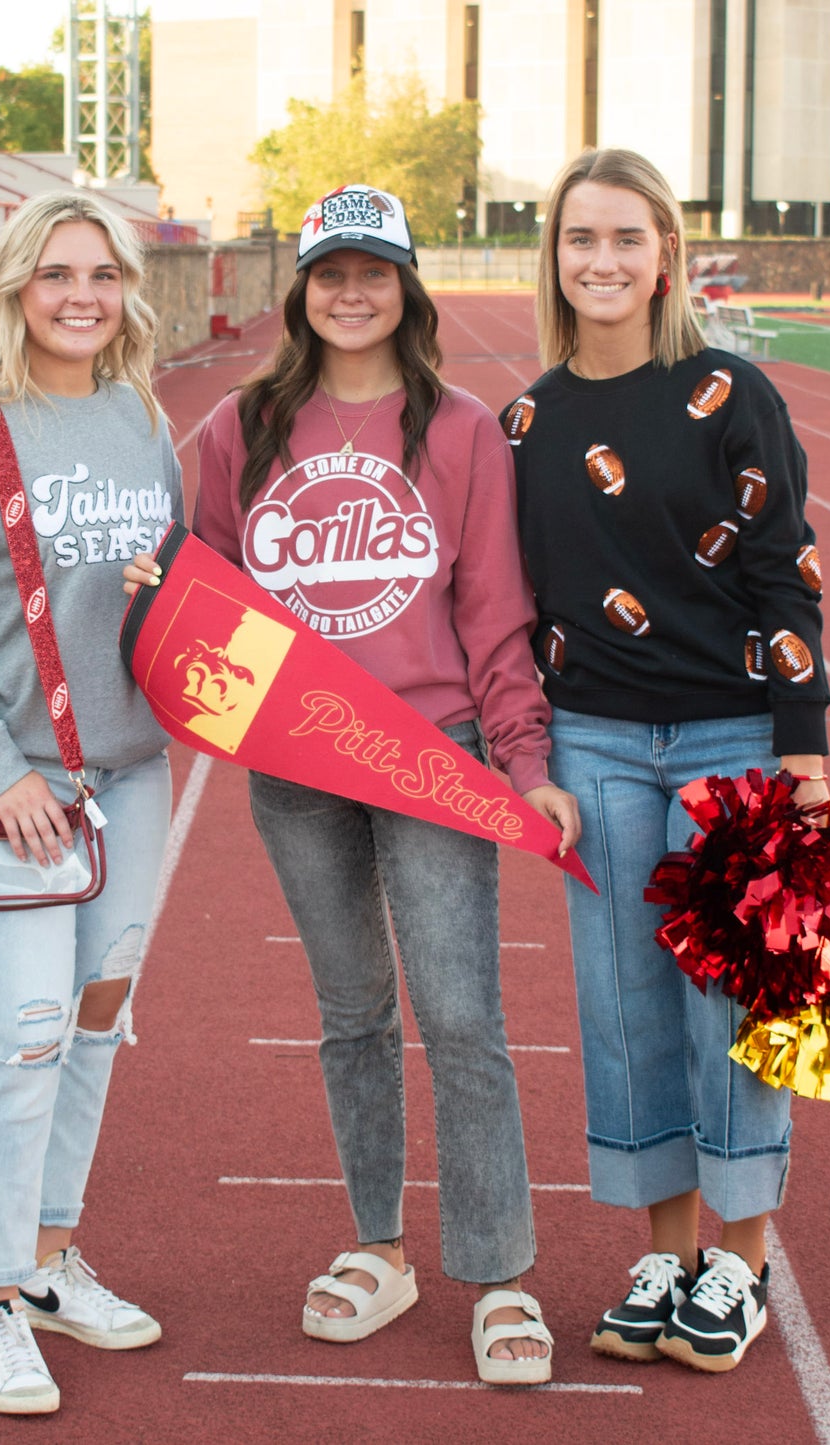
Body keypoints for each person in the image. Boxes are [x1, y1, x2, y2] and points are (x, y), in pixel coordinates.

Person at [135, 183, 578, 1385]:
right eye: (328, 271)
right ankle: (378, 1245)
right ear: (301, 290)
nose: (347, 291)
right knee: (351, 1016)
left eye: (370, 272)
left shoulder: (462, 430)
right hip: (297, 768)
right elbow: (209, 592)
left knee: (462, 1015)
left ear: (404, 288)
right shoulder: (242, 426)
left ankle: (498, 1272)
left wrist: (523, 765)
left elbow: (495, 617)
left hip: (433, 757)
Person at [505, 149, 830, 1374]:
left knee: (733, 995)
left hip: (730, 736)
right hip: (593, 739)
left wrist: (800, 756)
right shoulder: (527, 420)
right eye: (579, 238)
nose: (600, 260)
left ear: (664, 256)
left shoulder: (732, 393)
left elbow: (782, 571)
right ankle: (663, 1246)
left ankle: (738, 1260)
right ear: (554, 254)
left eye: (625, 239)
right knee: (623, 1002)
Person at [0, 191, 183, 1415]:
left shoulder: (136, 416)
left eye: (103, 274)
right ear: (17, 285)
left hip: (131, 777)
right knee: (18, 1038)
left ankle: (52, 1257)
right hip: (13, 792)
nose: (82, 296)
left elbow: (169, 586)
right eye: (57, 273)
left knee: (98, 1023)